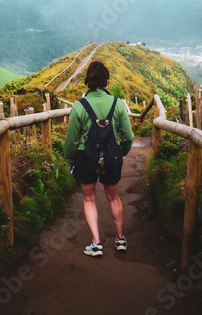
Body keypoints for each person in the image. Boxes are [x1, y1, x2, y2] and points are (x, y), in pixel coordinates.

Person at [64, 60, 134, 257]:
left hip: (85, 158)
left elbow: (71, 140)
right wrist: (121, 153)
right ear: (107, 81)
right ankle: (120, 239)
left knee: (89, 198)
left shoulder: (79, 106)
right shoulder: (118, 104)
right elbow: (128, 137)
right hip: (111, 157)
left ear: (88, 81)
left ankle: (96, 244)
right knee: (113, 197)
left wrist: (70, 161)